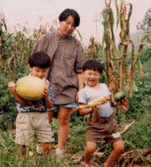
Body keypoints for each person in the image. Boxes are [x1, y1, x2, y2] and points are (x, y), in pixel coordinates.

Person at [33, 8, 86, 156]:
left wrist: (80, 89)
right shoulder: (46, 39)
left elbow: (80, 70)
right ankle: (42, 147)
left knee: (64, 120)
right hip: (46, 88)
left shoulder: (76, 45)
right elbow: (34, 63)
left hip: (68, 88)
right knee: (45, 119)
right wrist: (34, 84)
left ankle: (60, 149)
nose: (69, 27)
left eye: (73, 25)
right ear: (60, 21)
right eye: (67, 23)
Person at [78, 60, 126, 167]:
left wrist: (117, 103)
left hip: (110, 123)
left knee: (120, 148)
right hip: (95, 125)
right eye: (89, 73)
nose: (92, 77)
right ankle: (87, 163)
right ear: (83, 74)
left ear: (100, 75)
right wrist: (92, 108)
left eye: (95, 74)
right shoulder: (83, 92)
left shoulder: (104, 86)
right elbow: (81, 111)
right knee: (90, 148)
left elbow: (110, 103)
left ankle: (107, 164)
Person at [8, 51, 54, 157]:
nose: (40, 74)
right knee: (22, 144)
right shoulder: (23, 82)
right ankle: (22, 162)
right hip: (25, 116)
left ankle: (45, 163)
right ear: (30, 68)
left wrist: (46, 96)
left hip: (42, 117)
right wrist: (14, 92)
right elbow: (23, 104)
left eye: (43, 71)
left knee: (46, 145)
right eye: (37, 70)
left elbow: (50, 106)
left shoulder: (47, 84)